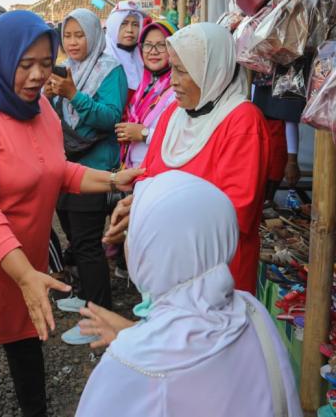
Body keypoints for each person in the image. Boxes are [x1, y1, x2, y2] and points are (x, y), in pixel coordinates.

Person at [0, 10, 142, 417]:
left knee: (27, 334)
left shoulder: (40, 107)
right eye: (25, 65)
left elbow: (57, 169)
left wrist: (115, 180)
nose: (37, 75)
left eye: (46, 63)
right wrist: (25, 274)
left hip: (20, 246)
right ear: (0, 58)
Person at [75, 171, 303, 417]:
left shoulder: (132, 363)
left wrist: (131, 345)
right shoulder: (252, 310)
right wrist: (134, 334)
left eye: (134, 235)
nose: (129, 244)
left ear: (156, 253)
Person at [105, 23, 270, 294]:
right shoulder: (173, 115)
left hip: (217, 276)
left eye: (183, 71)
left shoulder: (243, 121)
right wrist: (136, 205)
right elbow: (150, 177)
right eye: (173, 69)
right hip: (168, 266)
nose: (173, 81)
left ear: (212, 71)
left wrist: (155, 212)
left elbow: (235, 211)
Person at [45, 8, 127, 345]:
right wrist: (54, 97)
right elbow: (59, 119)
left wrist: (72, 95)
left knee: (87, 243)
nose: (74, 42)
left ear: (94, 35)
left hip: (95, 167)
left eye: (80, 35)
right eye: (68, 35)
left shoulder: (111, 69)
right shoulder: (70, 69)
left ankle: (100, 315)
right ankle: (85, 295)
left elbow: (110, 118)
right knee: (74, 237)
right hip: (67, 164)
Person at [115, 19, 177, 169]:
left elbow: (181, 137)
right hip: (137, 172)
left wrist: (144, 134)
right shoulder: (145, 88)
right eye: (148, 45)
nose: (153, 51)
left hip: (160, 173)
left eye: (162, 45)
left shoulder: (178, 89)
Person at [104, 0, 147, 91]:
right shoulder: (102, 61)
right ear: (113, 26)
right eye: (124, 23)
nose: (130, 30)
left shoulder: (145, 57)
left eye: (135, 24)